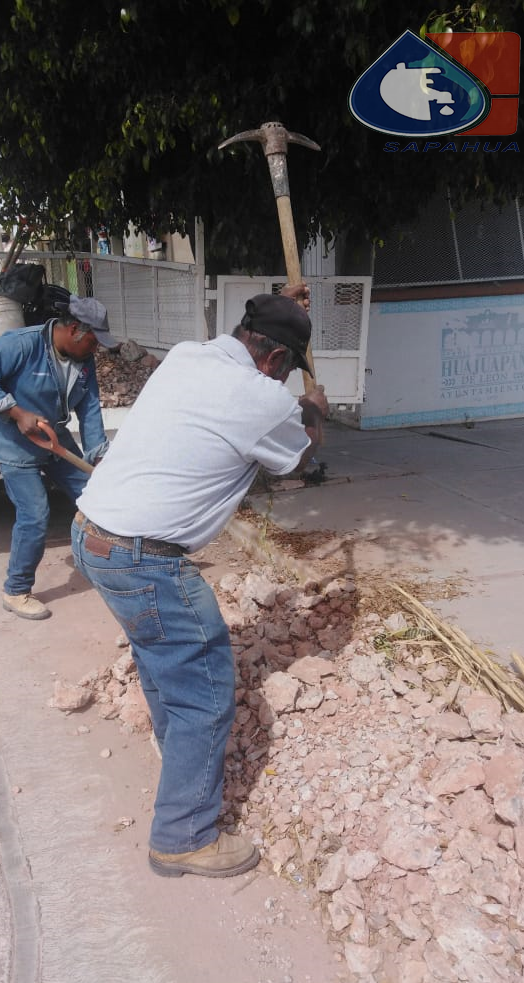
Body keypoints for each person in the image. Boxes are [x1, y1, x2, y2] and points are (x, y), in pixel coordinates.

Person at [71, 286, 328, 878]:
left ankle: (180, 761)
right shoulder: (265, 399)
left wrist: (281, 307)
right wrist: (314, 407)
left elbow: (250, 351)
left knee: (163, 657)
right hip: (142, 558)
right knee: (208, 690)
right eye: (286, 373)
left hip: (92, 535)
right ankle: (183, 836)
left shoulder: (189, 355)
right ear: (277, 364)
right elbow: (302, 460)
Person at [0, 294, 119, 619]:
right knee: (35, 515)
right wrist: (17, 412)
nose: (96, 349)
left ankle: (111, 567)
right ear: (75, 329)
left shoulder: (84, 360)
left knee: (94, 497)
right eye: (93, 340)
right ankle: (16, 590)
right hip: (14, 441)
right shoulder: (22, 344)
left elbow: (89, 411)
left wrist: (98, 459)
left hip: (52, 435)